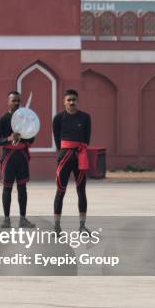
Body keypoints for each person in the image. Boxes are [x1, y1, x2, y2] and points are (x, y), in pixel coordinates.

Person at [52, 89, 92, 233]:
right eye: (68, 100)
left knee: (81, 190)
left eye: (74, 99)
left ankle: (82, 226)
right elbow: (57, 139)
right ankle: (56, 226)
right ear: (64, 102)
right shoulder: (58, 118)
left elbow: (87, 138)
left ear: (77, 100)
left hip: (80, 155)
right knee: (60, 190)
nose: (71, 102)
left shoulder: (85, 117)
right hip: (64, 156)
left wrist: (78, 150)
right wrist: (64, 152)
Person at [0, 91, 35, 228]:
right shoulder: (3, 119)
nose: (16, 103)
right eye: (13, 101)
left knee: (22, 188)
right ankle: (6, 219)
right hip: (9, 157)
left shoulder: (25, 118)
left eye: (18, 101)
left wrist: (25, 134)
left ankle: (23, 219)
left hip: (22, 156)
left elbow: (32, 138)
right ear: (8, 102)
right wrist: (9, 138)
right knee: (7, 188)